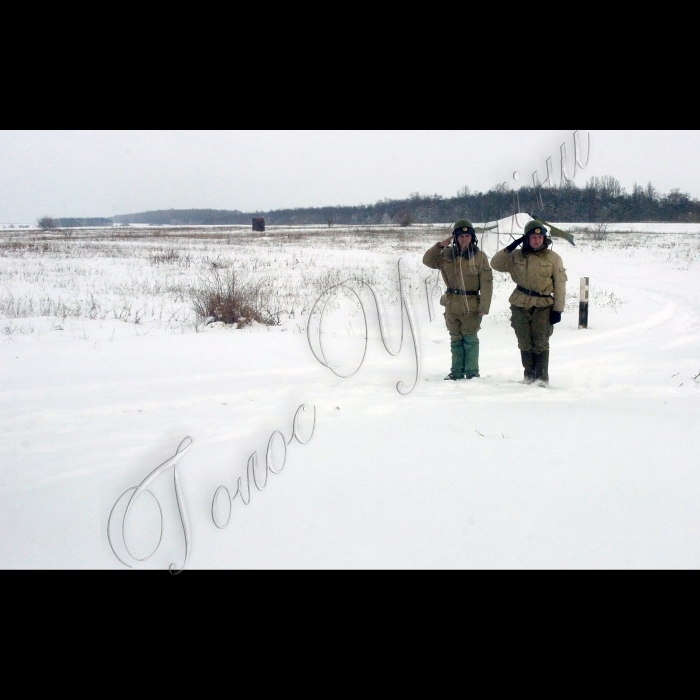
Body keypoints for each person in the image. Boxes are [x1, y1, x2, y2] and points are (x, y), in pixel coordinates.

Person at [491, 220, 567, 387]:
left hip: (543, 305)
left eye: (540, 237)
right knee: (524, 342)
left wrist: (558, 310)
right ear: (526, 238)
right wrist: (510, 248)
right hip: (520, 303)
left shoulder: (553, 258)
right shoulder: (516, 256)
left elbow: (560, 285)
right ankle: (528, 377)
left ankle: (541, 379)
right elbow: (495, 264)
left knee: (540, 342)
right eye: (533, 237)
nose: (536, 240)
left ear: (544, 239)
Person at [423, 220, 493, 381]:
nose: (464, 239)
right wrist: (441, 245)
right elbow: (427, 260)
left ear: (472, 237)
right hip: (452, 302)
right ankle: (456, 371)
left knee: (470, 339)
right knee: (455, 339)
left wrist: (484, 306)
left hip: (471, 304)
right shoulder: (447, 255)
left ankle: (472, 372)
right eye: (460, 236)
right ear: (455, 237)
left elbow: (487, 283)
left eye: (467, 235)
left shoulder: (480, 257)